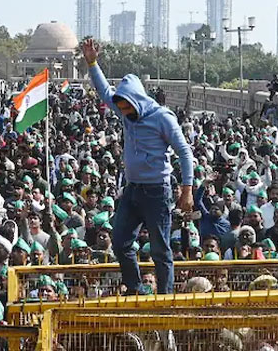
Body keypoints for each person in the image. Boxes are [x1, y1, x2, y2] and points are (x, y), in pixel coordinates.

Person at [81, 37, 194, 295]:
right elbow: (103, 91)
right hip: (132, 189)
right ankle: (136, 288)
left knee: (160, 249)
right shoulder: (123, 109)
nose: (124, 112)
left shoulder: (162, 117)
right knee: (120, 242)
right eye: (120, 107)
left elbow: (185, 152)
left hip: (157, 191)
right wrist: (92, 63)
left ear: (137, 100)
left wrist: (187, 190)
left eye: (127, 108)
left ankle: (164, 297)